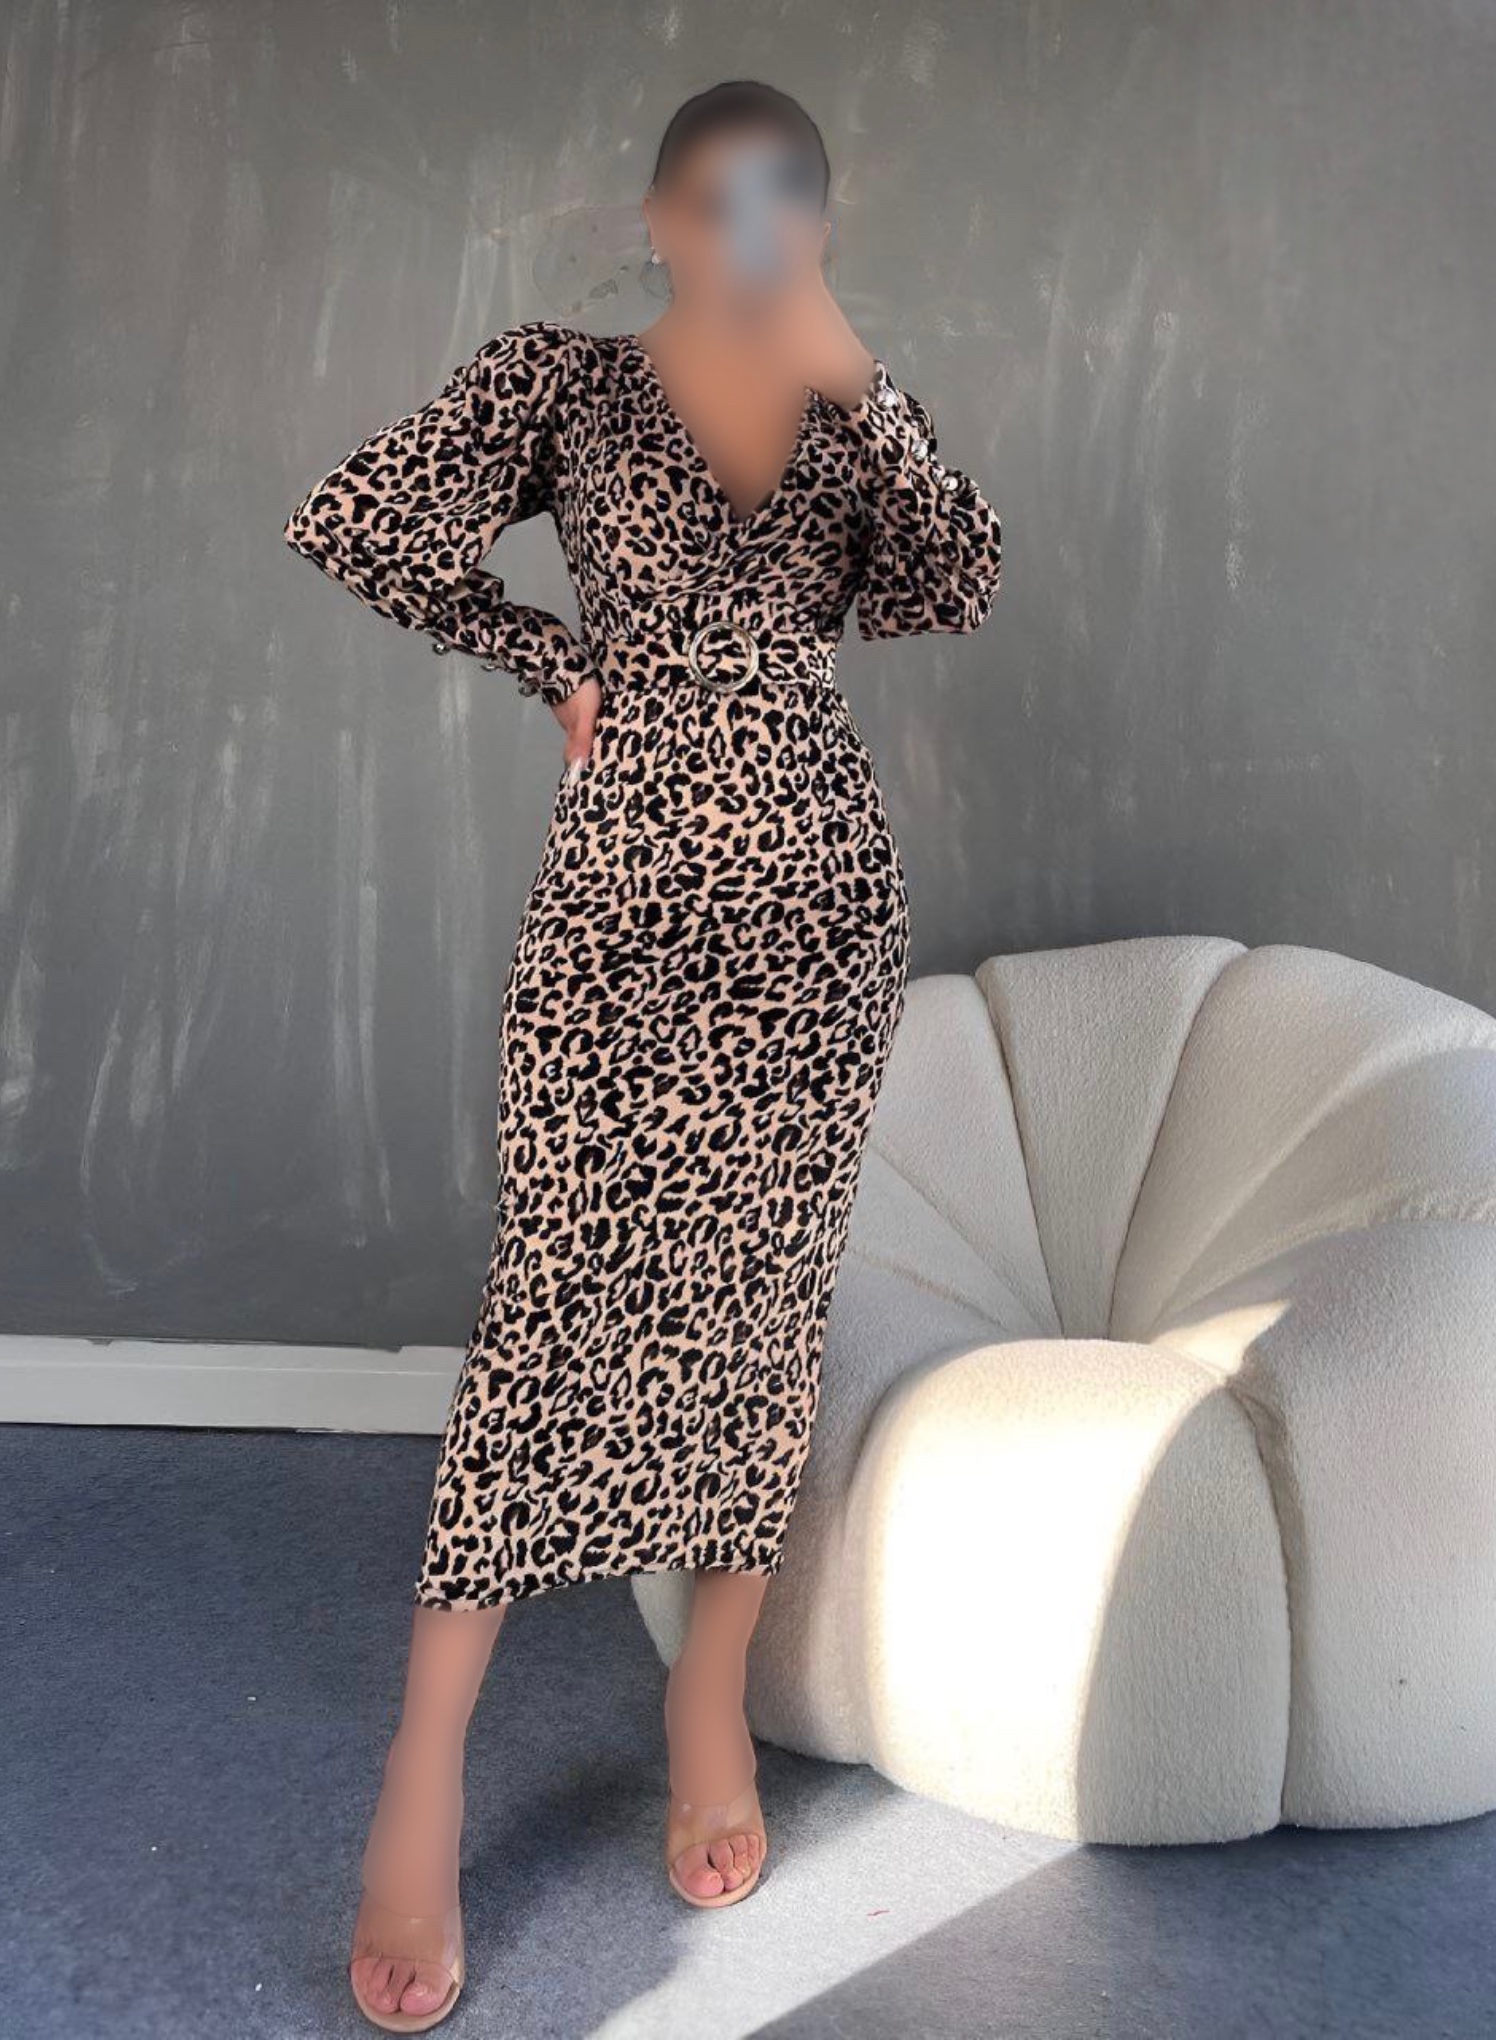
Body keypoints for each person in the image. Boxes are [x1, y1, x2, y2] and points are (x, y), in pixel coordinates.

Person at [283, 77, 1002, 2035]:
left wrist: (863, 383)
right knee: (554, 1308)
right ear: (665, 219)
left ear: (821, 229)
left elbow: (957, 582)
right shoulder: (567, 382)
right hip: (620, 910)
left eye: (793, 210)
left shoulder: (852, 412)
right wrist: (551, 660)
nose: (758, 240)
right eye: (725, 206)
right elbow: (359, 523)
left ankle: (708, 1705)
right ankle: (424, 1777)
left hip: (815, 918)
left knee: (758, 1314)